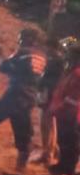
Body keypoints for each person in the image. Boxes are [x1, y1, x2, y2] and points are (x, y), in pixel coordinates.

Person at [0, 28, 47, 171]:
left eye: (21, 38)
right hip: (30, 98)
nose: (19, 41)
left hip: (15, 95)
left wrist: (3, 57)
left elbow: (4, 67)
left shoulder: (22, 52)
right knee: (23, 137)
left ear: (29, 39)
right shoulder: (42, 56)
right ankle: (21, 170)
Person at [49, 40, 80, 175]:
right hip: (64, 112)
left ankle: (68, 168)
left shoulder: (78, 73)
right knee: (64, 140)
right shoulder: (71, 71)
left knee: (70, 141)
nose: (66, 56)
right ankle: (64, 164)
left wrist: (60, 107)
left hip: (72, 113)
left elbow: (74, 96)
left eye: (70, 54)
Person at [36, 36, 67, 164]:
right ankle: (50, 152)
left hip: (50, 96)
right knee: (49, 125)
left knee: (48, 125)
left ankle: (48, 154)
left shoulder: (58, 61)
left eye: (46, 47)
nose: (44, 49)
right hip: (49, 95)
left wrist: (43, 88)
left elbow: (55, 81)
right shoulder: (56, 60)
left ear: (50, 47)